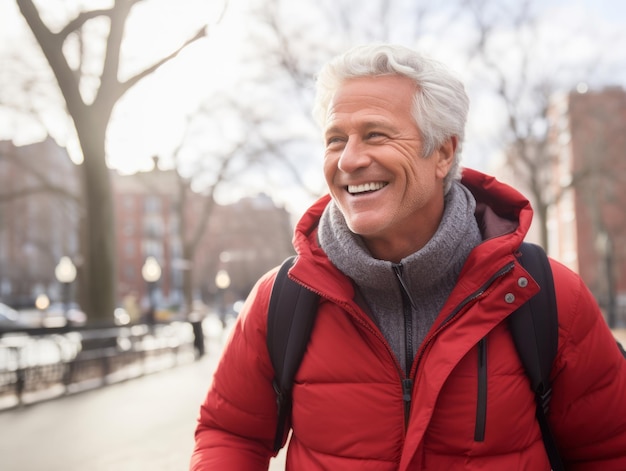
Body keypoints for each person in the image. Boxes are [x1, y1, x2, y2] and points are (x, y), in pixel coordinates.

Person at [190, 44, 626, 470]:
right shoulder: (282, 298)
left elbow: (611, 451)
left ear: (443, 152)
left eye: (375, 134)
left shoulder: (544, 295)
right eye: (335, 139)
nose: (350, 159)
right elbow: (230, 433)